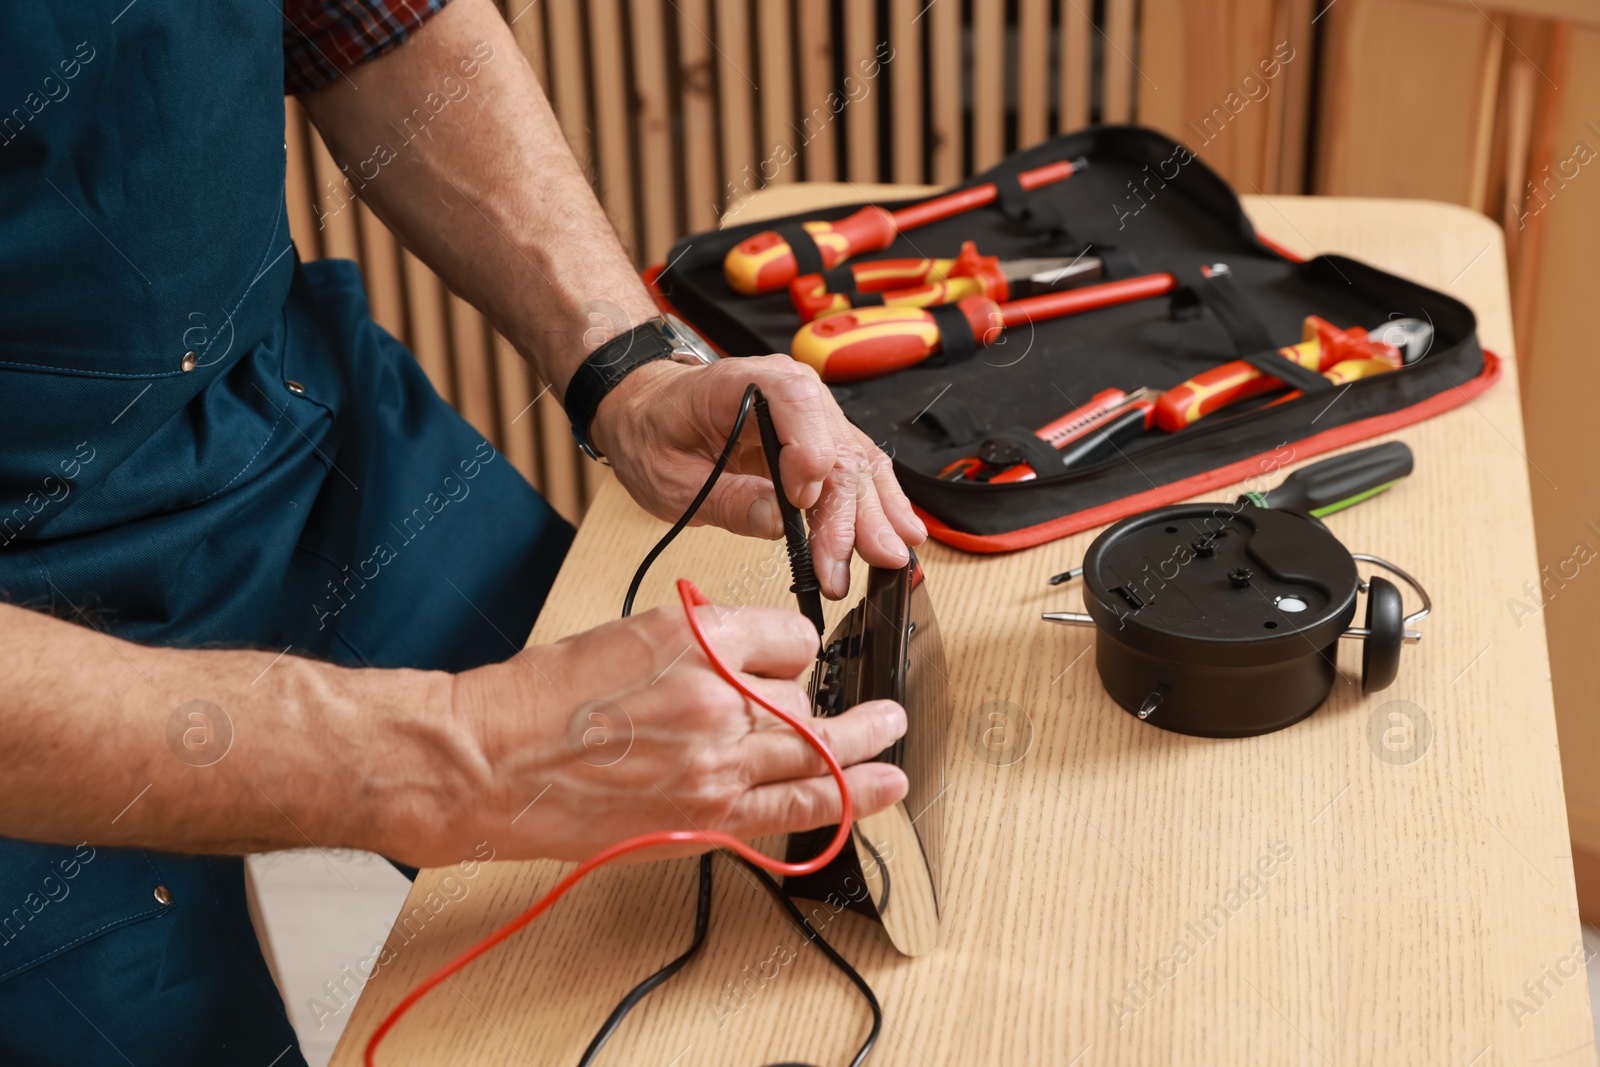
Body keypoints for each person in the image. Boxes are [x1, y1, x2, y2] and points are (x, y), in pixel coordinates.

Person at [0, 1, 926, 1062]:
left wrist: (623, 362)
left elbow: (368, 19)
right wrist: (458, 752)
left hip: (284, 418)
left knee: (711, 856)